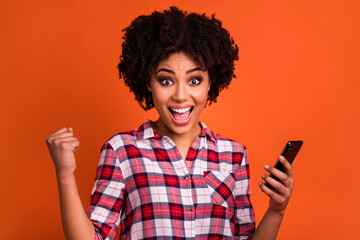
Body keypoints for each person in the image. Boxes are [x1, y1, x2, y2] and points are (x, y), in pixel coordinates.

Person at [46, 7, 295, 240]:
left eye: (194, 80)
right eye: (166, 81)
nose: (180, 95)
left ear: (211, 83)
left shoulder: (233, 155)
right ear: (147, 83)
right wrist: (65, 174)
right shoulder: (121, 150)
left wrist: (276, 210)